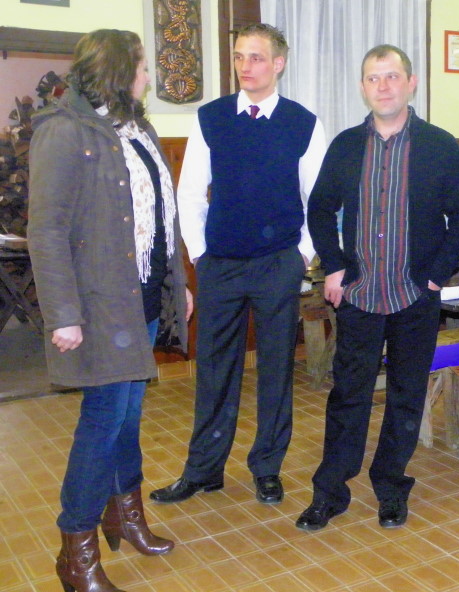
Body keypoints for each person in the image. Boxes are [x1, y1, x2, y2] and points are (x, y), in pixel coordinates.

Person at [27, 29, 191, 592]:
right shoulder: (64, 130)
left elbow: (160, 214)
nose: (148, 77)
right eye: (142, 67)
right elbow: (46, 231)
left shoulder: (137, 127)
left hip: (140, 298)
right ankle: (75, 550)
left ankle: (124, 515)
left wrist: (175, 283)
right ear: (119, 71)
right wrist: (63, 314)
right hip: (98, 306)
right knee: (102, 422)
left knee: (128, 416)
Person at [298, 44, 459, 531]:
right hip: (358, 293)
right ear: (363, 87)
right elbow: (319, 209)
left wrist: (435, 275)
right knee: (348, 395)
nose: (384, 86)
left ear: (411, 83)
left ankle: (391, 484)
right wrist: (334, 267)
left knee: (406, 395)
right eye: (374, 78)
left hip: (414, 295)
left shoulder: (440, 146)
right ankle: (330, 491)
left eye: (393, 76)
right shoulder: (346, 146)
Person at [149, 24, 326, 507]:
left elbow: (318, 199)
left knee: (275, 369)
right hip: (220, 265)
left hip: (277, 265)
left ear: (279, 64)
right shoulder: (211, 118)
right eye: (239, 56)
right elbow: (190, 193)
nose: (245, 66)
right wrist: (201, 255)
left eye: (256, 57)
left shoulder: (303, 123)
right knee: (213, 369)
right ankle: (204, 469)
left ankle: (267, 467)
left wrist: (301, 256)